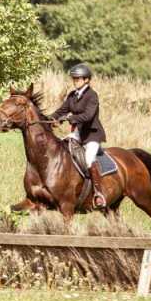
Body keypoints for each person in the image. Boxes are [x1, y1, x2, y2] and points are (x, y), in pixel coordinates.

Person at [52, 62, 108, 208]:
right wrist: (50, 118)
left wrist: (70, 118)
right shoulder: (72, 95)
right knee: (60, 149)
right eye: (74, 79)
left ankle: (98, 193)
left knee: (89, 159)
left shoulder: (92, 96)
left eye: (78, 79)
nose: (75, 81)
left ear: (86, 80)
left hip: (91, 135)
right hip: (77, 134)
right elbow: (61, 110)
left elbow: (88, 116)